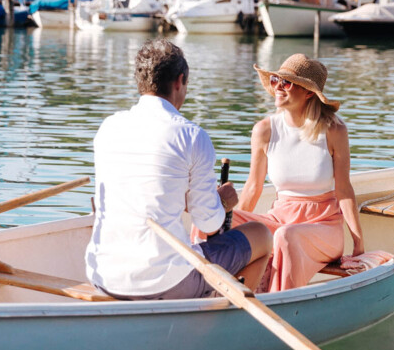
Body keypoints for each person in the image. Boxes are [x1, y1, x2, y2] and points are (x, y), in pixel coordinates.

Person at [85, 39, 271, 300]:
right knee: (260, 235)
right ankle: (222, 326)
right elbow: (209, 223)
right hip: (164, 282)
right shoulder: (192, 136)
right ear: (179, 81)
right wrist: (223, 202)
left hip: (103, 276)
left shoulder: (107, 128)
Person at [230, 54, 363, 292]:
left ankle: (279, 306)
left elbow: (344, 190)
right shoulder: (264, 130)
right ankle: (217, 294)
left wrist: (358, 244)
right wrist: (234, 227)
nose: (278, 88)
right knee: (220, 221)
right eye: (275, 80)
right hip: (279, 220)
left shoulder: (334, 130)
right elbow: (252, 187)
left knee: (286, 236)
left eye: (287, 83)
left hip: (323, 226)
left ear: (308, 92)